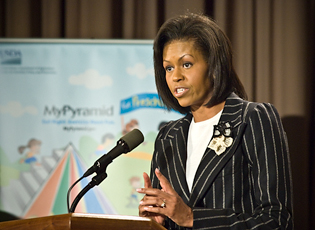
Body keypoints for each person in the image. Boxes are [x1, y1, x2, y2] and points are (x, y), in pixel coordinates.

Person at [137, 13, 293, 229]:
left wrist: (192, 217)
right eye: (169, 68)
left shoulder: (252, 119)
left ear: (213, 65)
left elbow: (277, 221)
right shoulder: (168, 137)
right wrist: (155, 222)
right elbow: (170, 218)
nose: (176, 77)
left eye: (187, 64)